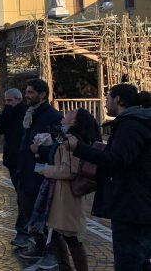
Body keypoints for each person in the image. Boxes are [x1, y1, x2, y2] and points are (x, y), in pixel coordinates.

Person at [66, 84, 151, 270]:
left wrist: (78, 148)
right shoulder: (137, 122)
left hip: (132, 209)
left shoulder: (131, 125)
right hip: (138, 206)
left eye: (108, 97)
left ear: (118, 99)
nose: (105, 102)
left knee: (130, 264)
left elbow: (117, 160)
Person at [28, 109, 100, 271]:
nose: (66, 113)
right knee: (56, 232)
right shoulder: (64, 137)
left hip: (65, 195)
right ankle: (64, 267)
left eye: (71, 113)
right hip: (59, 193)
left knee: (68, 235)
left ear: (75, 121)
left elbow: (69, 170)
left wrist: (46, 170)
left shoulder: (71, 140)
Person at [16, 79, 62, 260]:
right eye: (26, 92)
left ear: (42, 94)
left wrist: (40, 151)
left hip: (41, 174)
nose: (26, 96)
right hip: (26, 171)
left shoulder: (52, 116)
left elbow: (59, 146)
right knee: (28, 210)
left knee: (42, 213)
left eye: (30, 93)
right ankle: (37, 244)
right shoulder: (30, 113)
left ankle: (48, 250)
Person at [0, 88, 28, 246]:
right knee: (21, 197)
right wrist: (6, 112)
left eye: (10, 101)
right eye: (5, 101)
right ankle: (24, 231)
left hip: (24, 161)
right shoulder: (7, 114)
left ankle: (24, 232)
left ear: (18, 99)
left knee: (23, 198)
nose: (7, 103)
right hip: (12, 161)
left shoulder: (26, 113)